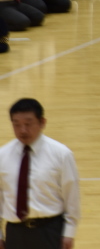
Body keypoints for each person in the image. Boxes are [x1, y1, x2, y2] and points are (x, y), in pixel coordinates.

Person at [0, 98, 80, 249]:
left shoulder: (61, 154)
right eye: (16, 124)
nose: (22, 130)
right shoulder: (2, 155)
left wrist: (69, 232)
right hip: (15, 233)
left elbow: (71, 196)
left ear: (42, 122)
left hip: (49, 231)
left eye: (28, 124)